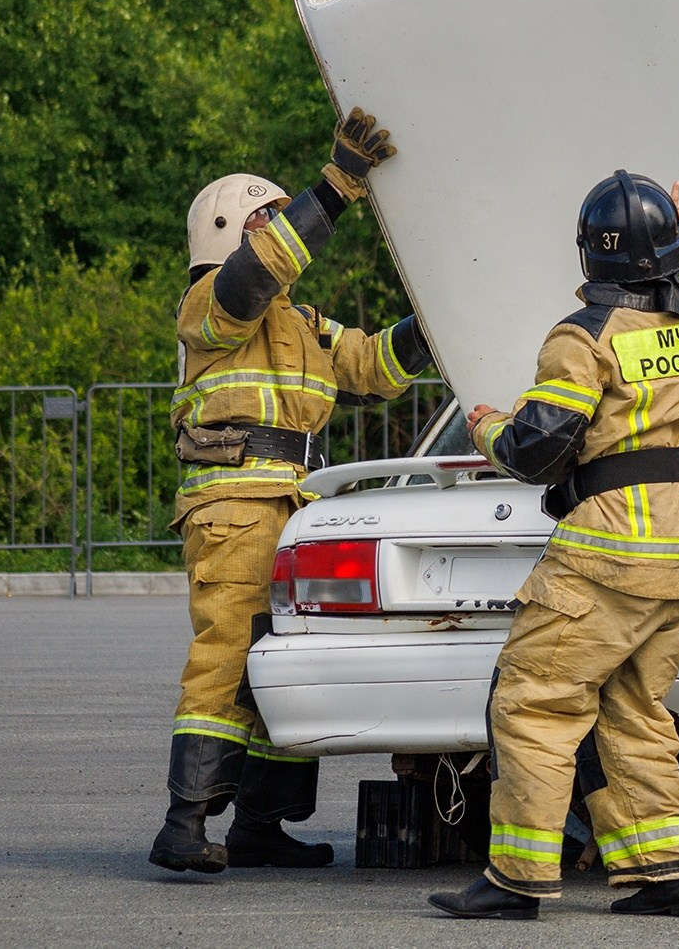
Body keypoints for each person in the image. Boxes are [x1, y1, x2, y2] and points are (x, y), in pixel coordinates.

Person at [428, 172, 679, 922]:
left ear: (588, 253)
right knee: (633, 705)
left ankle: (516, 878)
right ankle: (668, 871)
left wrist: (483, 426)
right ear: (667, 248)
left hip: (610, 543)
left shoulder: (582, 337)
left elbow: (537, 449)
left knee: (534, 698)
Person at [149, 108, 435, 876]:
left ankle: (260, 825)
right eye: (265, 217)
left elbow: (373, 365)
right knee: (227, 655)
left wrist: (436, 317)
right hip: (235, 503)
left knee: (283, 663)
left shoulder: (300, 319)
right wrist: (334, 188)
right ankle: (184, 822)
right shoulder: (211, 302)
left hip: (296, 506)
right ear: (225, 228)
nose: (280, 229)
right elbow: (252, 277)